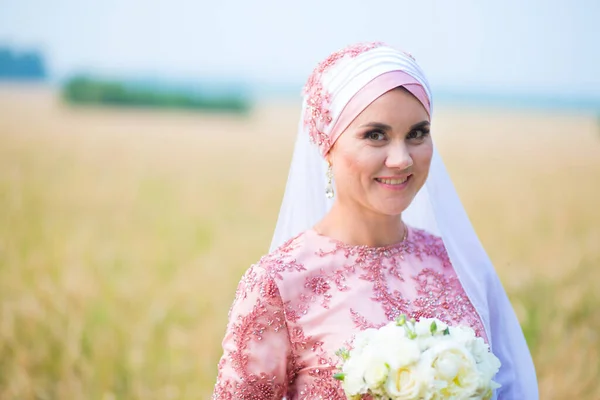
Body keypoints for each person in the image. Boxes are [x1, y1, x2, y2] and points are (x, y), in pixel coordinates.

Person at [211, 42, 538, 399]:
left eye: (417, 133)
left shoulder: (458, 265)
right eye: (375, 135)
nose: (401, 159)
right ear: (328, 146)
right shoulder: (280, 284)